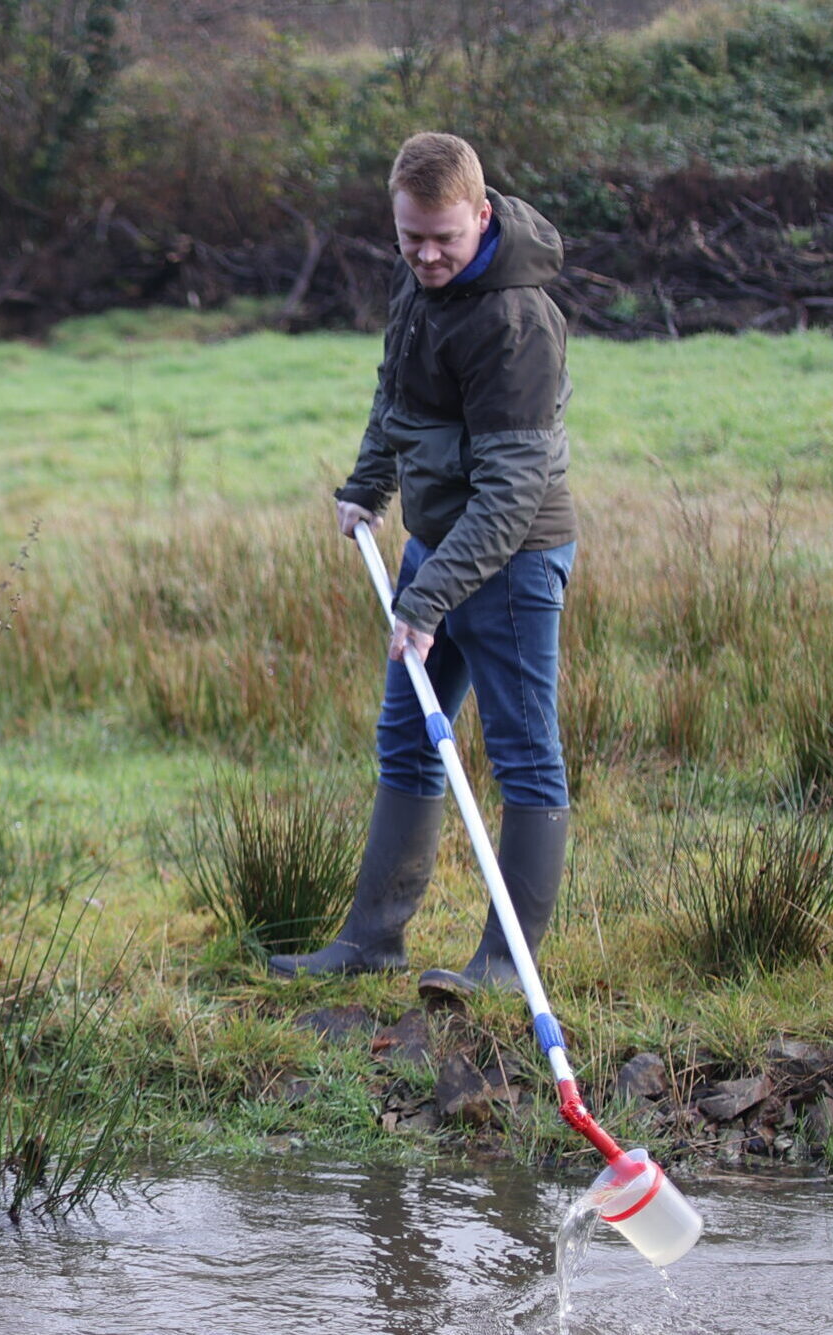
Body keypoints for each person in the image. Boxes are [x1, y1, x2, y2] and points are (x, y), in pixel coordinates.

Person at [267, 132, 578, 1002]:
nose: (428, 255)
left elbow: (513, 491)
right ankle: (373, 940)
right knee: (407, 740)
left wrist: (430, 597)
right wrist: (369, 482)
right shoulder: (422, 282)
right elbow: (396, 394)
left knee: (524, 759)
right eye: (411, 240)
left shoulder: (516, 324)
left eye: (443, 238)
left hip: (513, 561)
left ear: (482, 215)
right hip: (434, 546)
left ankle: (506, 967)